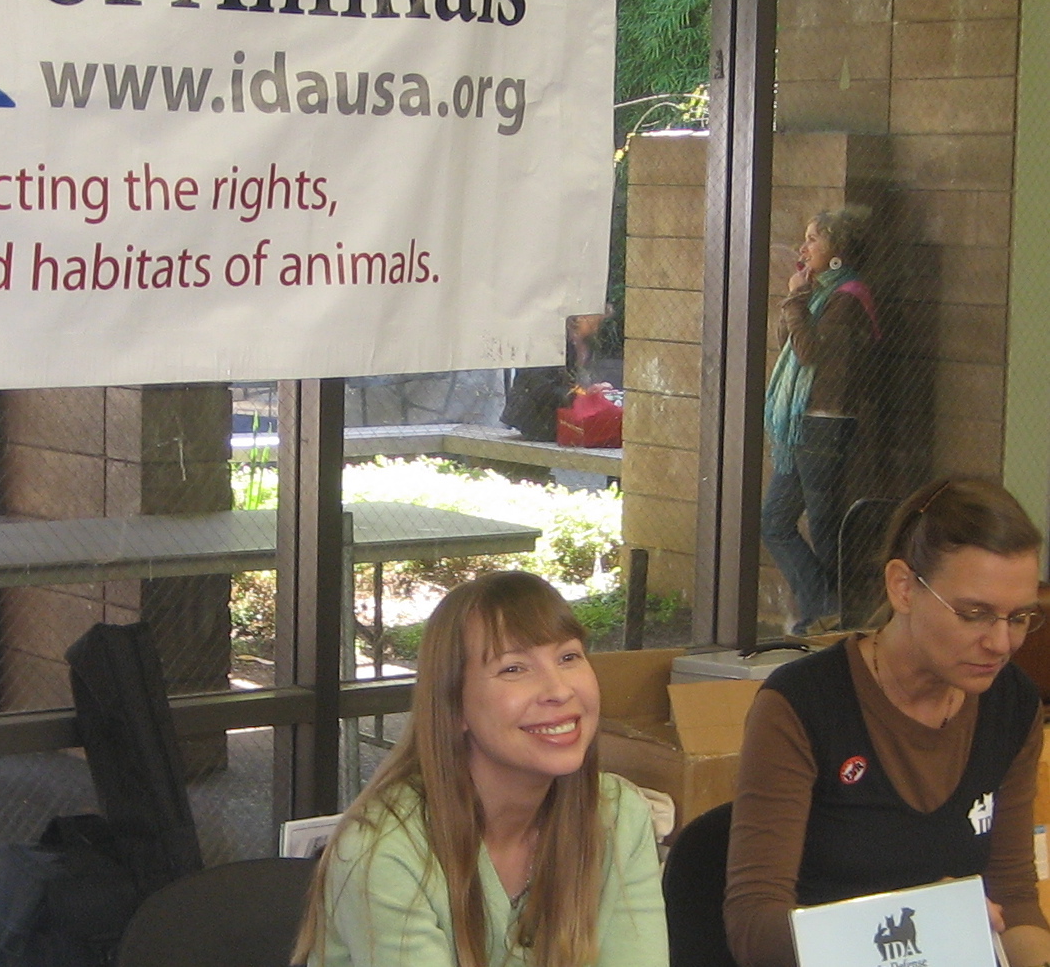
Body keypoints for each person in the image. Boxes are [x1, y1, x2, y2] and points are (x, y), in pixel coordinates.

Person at [726, 478, 1050, 967]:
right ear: (903, 587)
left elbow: (1015, 899)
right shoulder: (802, 705)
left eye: (1020, 617)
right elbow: (754, 928)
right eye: (974, 614)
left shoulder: (1013, 704)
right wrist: (922, 917)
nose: (1001, 644)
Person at [296, 571, 665, 967]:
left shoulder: (618, 815)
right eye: (514, 668)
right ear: (454, 707)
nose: (559, 690)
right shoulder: (385, 850)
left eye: (568, 657)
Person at [761, 205, 879, 632]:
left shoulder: (848, 298)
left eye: (813, 239)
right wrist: (796, 300)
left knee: (824, 524)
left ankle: (830, 616)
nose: (803, 247)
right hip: (802, 423)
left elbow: (811, 353)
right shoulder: (823, 293)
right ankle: (825, 607)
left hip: (824, 423)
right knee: (774, 522)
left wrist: (797, 301)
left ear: (837, 250)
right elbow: (789, 345)